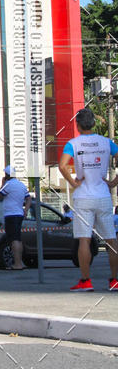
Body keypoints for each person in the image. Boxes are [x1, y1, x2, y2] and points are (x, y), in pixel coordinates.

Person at [59, 107, 118, 292]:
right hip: (103, 195)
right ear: (93, 123)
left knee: (84, 240)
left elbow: (62, 166)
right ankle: (114, 281)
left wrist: (73, 182)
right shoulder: (106, 142)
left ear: (77, 125)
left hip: (83, 196)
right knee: (111, 239)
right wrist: (113, 182)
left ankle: (85, 281)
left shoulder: (73, 144)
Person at [0, 165, 31, 270]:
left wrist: (2, 184)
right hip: (19, 214)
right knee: (18, 239)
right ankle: (19, 262)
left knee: (13, 239)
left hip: (10, 214)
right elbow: (28, 198)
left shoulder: (8, 185)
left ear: (6, 175)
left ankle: (17, 264)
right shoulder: (21, 185)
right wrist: (25, 210)